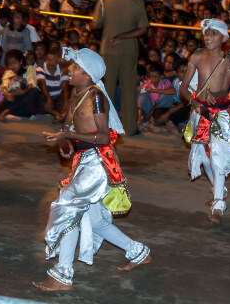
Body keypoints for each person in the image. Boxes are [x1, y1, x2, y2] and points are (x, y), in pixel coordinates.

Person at [34, 47, 150, 292]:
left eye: (75, 67)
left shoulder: (95, 97)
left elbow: (104, 136)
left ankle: (62, 275)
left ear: (87, 75)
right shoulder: (76, 94)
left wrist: (69, 136)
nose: (69, 69)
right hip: (83, 161)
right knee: (95, 222)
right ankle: (137, 252)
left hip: (96, 164)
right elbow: (68, 127)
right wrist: (65, 144)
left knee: (67, 209)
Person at [181, 19, 230, 224]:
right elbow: (184, 86)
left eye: (214, 33)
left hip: (218, 112)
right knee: (203, 157)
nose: (208, 37)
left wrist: (214, 96)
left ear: (225, 38)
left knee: (217, 155)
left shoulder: (229, 61)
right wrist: (194, 102)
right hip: (198, 111)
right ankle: (218, 187)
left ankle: (218, 203)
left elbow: (224, 90)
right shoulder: (197, 56)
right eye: (206, 33)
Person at [92, 0, 149, 135]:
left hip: (108, 50)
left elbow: (95, 25)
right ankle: (130, 128)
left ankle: (105, 127)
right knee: (129, 89)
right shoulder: (137, 2)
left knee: (106, 89)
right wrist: (123, 36)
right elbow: (143, 29)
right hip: (129, 50)